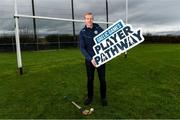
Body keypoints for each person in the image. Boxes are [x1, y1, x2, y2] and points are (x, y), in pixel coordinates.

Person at [79, 12, 107, 106]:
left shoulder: (99, 29)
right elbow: (82, 48)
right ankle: (90, 97)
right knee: (90, 79)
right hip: (89, 60)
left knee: (102, 79)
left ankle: (103, 97)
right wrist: (90, 59)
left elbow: (107, 41)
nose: (89, 20)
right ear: (85, 20)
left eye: (91, 18)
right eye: (87, 18)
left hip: (101, 59)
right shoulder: (82, 32)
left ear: (93, 19)